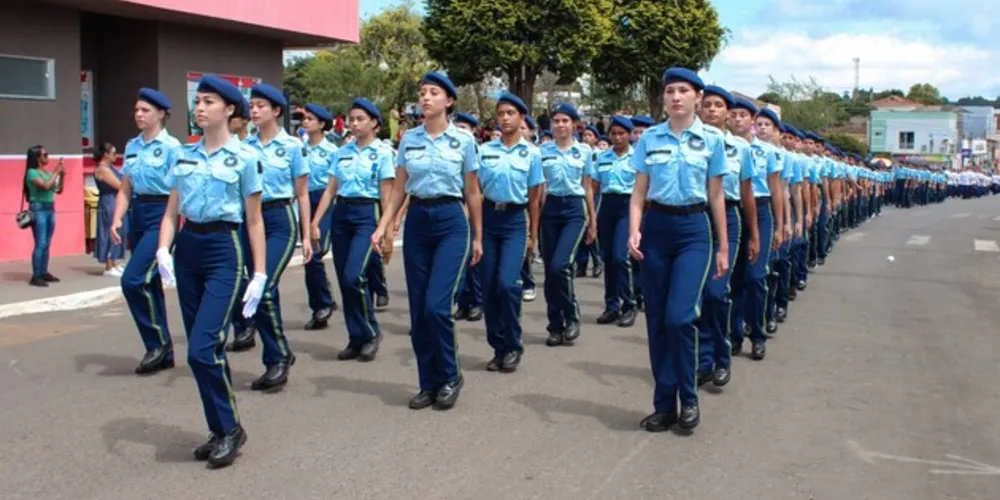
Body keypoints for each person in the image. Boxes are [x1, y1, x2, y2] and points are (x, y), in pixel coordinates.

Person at [155, 74, 265, 469]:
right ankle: (220, 429)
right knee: (202, 352)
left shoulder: (247, 158)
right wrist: (163, 249)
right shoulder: (183, 155)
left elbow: (254, 220)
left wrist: (260, 273)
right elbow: (171, 210)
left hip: (224, 250)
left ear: (229, 109)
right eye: (197, 101)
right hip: (188, 249)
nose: (199, 108)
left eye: (208, 102)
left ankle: (231, 428)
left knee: (203, 347)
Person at [371, 72, 483, 411]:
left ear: (448, 101)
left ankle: (450, 376)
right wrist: (383, 225)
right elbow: (399, 188)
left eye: (434, 93)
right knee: (419, 310)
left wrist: (478, 235)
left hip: (451, 221)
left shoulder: (463, 142)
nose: (426, 98)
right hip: (419, 221)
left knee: (437, 306)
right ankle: (427, 383)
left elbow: (473, 191)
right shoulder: (409, 139)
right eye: (422, 93)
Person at [627, 68, 729, 432]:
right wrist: (634, 229)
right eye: (669, 91)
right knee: (656, 322)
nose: (675, 97)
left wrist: (723, 246)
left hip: (693, 232)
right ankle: (664, 405)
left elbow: (716, 195)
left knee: (679, 318)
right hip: (656, 230)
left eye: (683, 90)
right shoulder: (650, 139)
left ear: (697, 97)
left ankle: (689, 397)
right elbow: (639, 190)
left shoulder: (713, 141)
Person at [230, 83, 312, 391]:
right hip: (248, 220)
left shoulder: (292, 146)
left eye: (261, 105)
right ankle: (278, 353)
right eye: (252, 105)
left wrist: (307, 234)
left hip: (279, 220)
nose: (254, 110)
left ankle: (277, 357)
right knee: (254, 289)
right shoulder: (244, 147)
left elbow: (302, 193)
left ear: (276, 111)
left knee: (262, 288)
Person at [311, 97, 394, 361]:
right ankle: (355, 337)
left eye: (360, 119)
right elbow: (331, 189)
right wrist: (315, 221)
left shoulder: (382, 153)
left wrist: (386, 230)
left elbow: (386, 195)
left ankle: (370, 332)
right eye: (351, 119)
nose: (354, 124)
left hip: (367, 214)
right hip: (342, 214)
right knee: (344, 280)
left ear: (374, 124)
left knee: (353, 276)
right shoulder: (342, 152)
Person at [110, 88, 183, 374]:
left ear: (161, 114)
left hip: (162, 214)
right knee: (149, 284)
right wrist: (116, 219)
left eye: (145, 110)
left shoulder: (173, 148)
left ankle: (158, 343)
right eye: (137, 110)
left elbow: (178, 190)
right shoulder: (132, 146)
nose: (139, 115)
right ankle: (161, 349)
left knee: (132, 280)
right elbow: (126, 187)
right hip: (138, 214)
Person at [694, 87, 758, 388]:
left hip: (729, 220)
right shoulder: (691, 142)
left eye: (718, 106)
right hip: (696, 218)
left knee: (716, 292)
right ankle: (704, 361)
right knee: (698, 295)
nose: (711, 110)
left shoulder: (740, 149)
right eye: (706, 105)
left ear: (728, 114)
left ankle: (722, 356)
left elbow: (747, 195)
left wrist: (755, 234)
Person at [477, 91, 544, 372]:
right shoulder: (485, 151)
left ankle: (513, 344)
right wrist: (476, 233)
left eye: (510, 114)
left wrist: (533, 236)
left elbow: (534, 198)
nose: (504, 118)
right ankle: (498, 346)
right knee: (490, 287)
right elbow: (474, 191)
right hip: (489, 218)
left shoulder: (532, 154)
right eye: (501, 114)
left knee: (507, 284)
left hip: (515, 221)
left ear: (522, 118)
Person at [538, 103, 597, 346]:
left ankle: (572, 316)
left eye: (565, 121)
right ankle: (555, 324)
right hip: (550, 209)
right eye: (556, 121)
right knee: (551, 270)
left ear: (574, 124)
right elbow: (539, 189)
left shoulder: (583, 152)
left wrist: (593, 221)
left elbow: (588, 188)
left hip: (574, 210)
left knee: (560, 266)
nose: (560, 125)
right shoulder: (542, 152)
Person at [591, 116, 639, 328]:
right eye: (614, 134)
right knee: (608, 258)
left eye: (622, 133)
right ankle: (611, 306)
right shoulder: (602, 157)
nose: (618, 137)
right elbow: (593, 186)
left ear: (629, 135)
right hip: (606, 205)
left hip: (628, 206)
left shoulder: (637, 157)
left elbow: (643, 187)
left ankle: (629, 304)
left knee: (621, 257)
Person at [301, 103, 340, 331]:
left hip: (324, 203)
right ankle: (319, 305)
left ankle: (324, 303)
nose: (305, 122)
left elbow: (334, 184)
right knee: (308, 256)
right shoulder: (300, 149)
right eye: (304, 118)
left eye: (310, 119)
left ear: (322, 124)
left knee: (316, 252)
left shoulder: (332, 151)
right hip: (305, 202)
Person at [452, 112, 484, 322]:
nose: (459, 132)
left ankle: (477, 302)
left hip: (472, 209)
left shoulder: (479, 152)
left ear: (473, 131)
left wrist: (468, 210)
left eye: (463, 128)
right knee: (459, 261)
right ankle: (463, 302)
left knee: (473, 260)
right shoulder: (453, 148)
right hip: (455, 208)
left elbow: (478, 188)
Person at [23, 145, 63, 287]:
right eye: (45, 155)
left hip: (50, 208)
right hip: (38, 208)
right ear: (37, 157)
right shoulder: (32, 173)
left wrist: (61, 174)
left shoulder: (46, 172)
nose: (48, 157)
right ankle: (36, 275)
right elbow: (46, 186)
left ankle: (44, 271)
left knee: (47, 242)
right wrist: (56, 172)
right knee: (40, 243)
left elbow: (58, 190)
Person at [93, 142, 127, 277]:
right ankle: (108, 264)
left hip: (115, 200)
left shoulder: (110, 167)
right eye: (113, 153)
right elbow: (119, 185)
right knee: (109, 230)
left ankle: (114, 261)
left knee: (118, 230)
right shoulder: (103, 169)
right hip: (108, 202)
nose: (115, 155)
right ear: (105, 154)